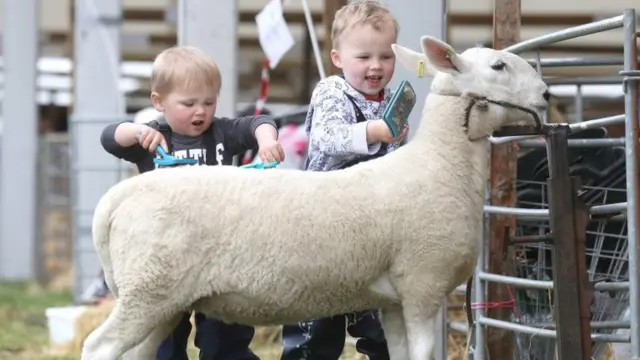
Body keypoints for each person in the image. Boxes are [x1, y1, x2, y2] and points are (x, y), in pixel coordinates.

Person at [100, 45, 285, 360]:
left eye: (208, 102)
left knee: (225, 333)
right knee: (162, 334)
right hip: (165, 256)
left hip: (218, 257)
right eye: (189, 103)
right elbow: (109, 137)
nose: (201, 111)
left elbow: (259, 122)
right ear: (158, 101)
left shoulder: (222, 133)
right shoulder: (154, 139)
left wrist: (268, 141)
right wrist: (136, 131)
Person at [280, 1, 406, 359]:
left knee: (381, 326)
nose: (376, 66)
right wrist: (376, 131)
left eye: (386, 56)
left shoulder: (390, 101)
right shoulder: (332, 91)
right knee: (317, 325)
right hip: (324, 225)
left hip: (372, 232)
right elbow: (327, 138)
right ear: (337, 58)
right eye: (364, 56)